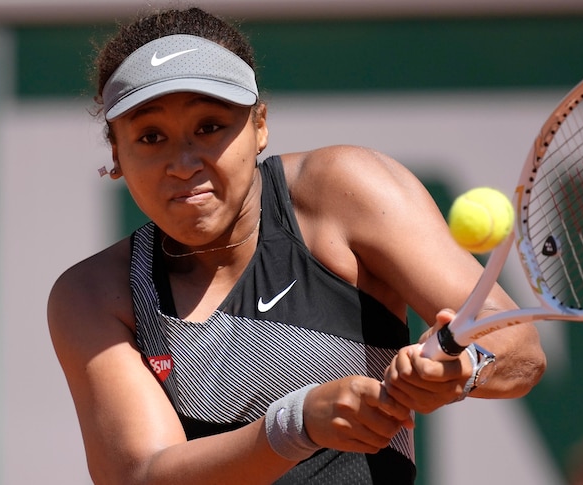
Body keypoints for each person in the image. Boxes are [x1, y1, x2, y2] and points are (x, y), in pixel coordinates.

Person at [47, 6, 546, 485]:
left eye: (209, 127)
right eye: (151, 137)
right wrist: (296, 425)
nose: (182, 161)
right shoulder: (93, 294)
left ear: (260, 126)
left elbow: (518, 348)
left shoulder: (343, 189)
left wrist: (464, 370)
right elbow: (141, 475)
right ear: (116, 153)